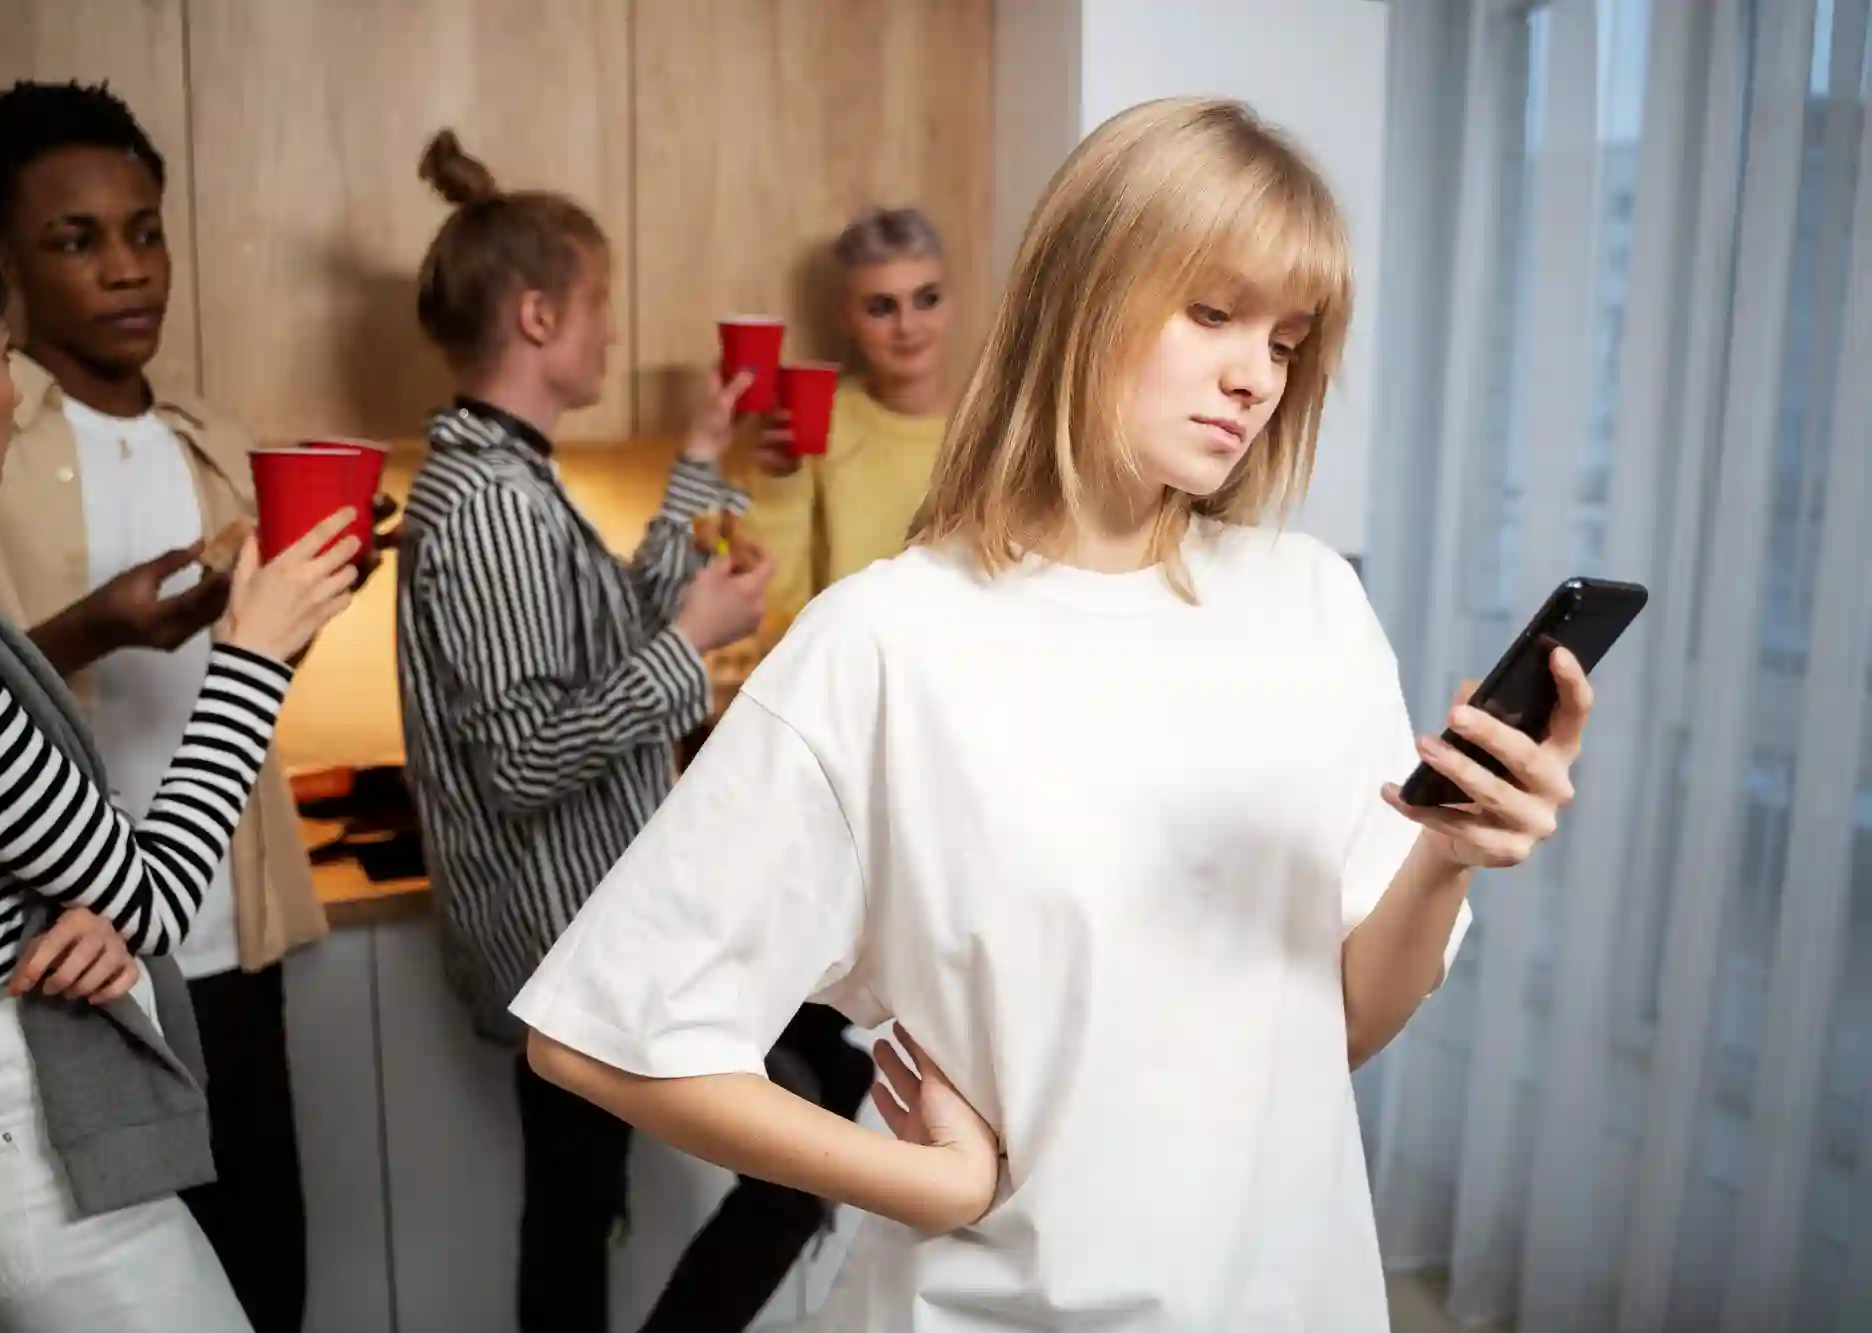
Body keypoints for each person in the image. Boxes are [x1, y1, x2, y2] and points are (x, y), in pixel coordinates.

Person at [511, 98, 1601, 1331]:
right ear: (1081, 293)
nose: (1254, 375)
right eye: (1210, 314)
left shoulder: (1312, 607)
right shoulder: (887, 640)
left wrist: (1441, 861)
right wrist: (924, 1180)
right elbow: (598, 1032)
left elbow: (1330, 1027)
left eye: (1286, 341)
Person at [395, 129, 864, 1333]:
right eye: (599, 303)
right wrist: (690, 642)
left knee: (572, 1200)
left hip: (583, 927)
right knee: (824, 1100)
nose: (613, 330)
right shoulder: (494, 506)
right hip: (569, 935)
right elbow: (520, 760)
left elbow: (602, 635)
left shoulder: (509, 476)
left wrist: (702, 461)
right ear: (541, 316)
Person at [0, 189, 359, 1332]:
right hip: (18, 1128)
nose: (9, 382)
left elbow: (75, 885)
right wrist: (255, 651)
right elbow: (145, 890)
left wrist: (91, 901)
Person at [740, 206, 955, 625]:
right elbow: (774, 600)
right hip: (848, 676)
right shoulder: (819, 422)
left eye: (927, 299)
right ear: (847, 320)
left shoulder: (996, 426)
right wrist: (779, 485)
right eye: (881, 307)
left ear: (951, 304)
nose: (908, 327)